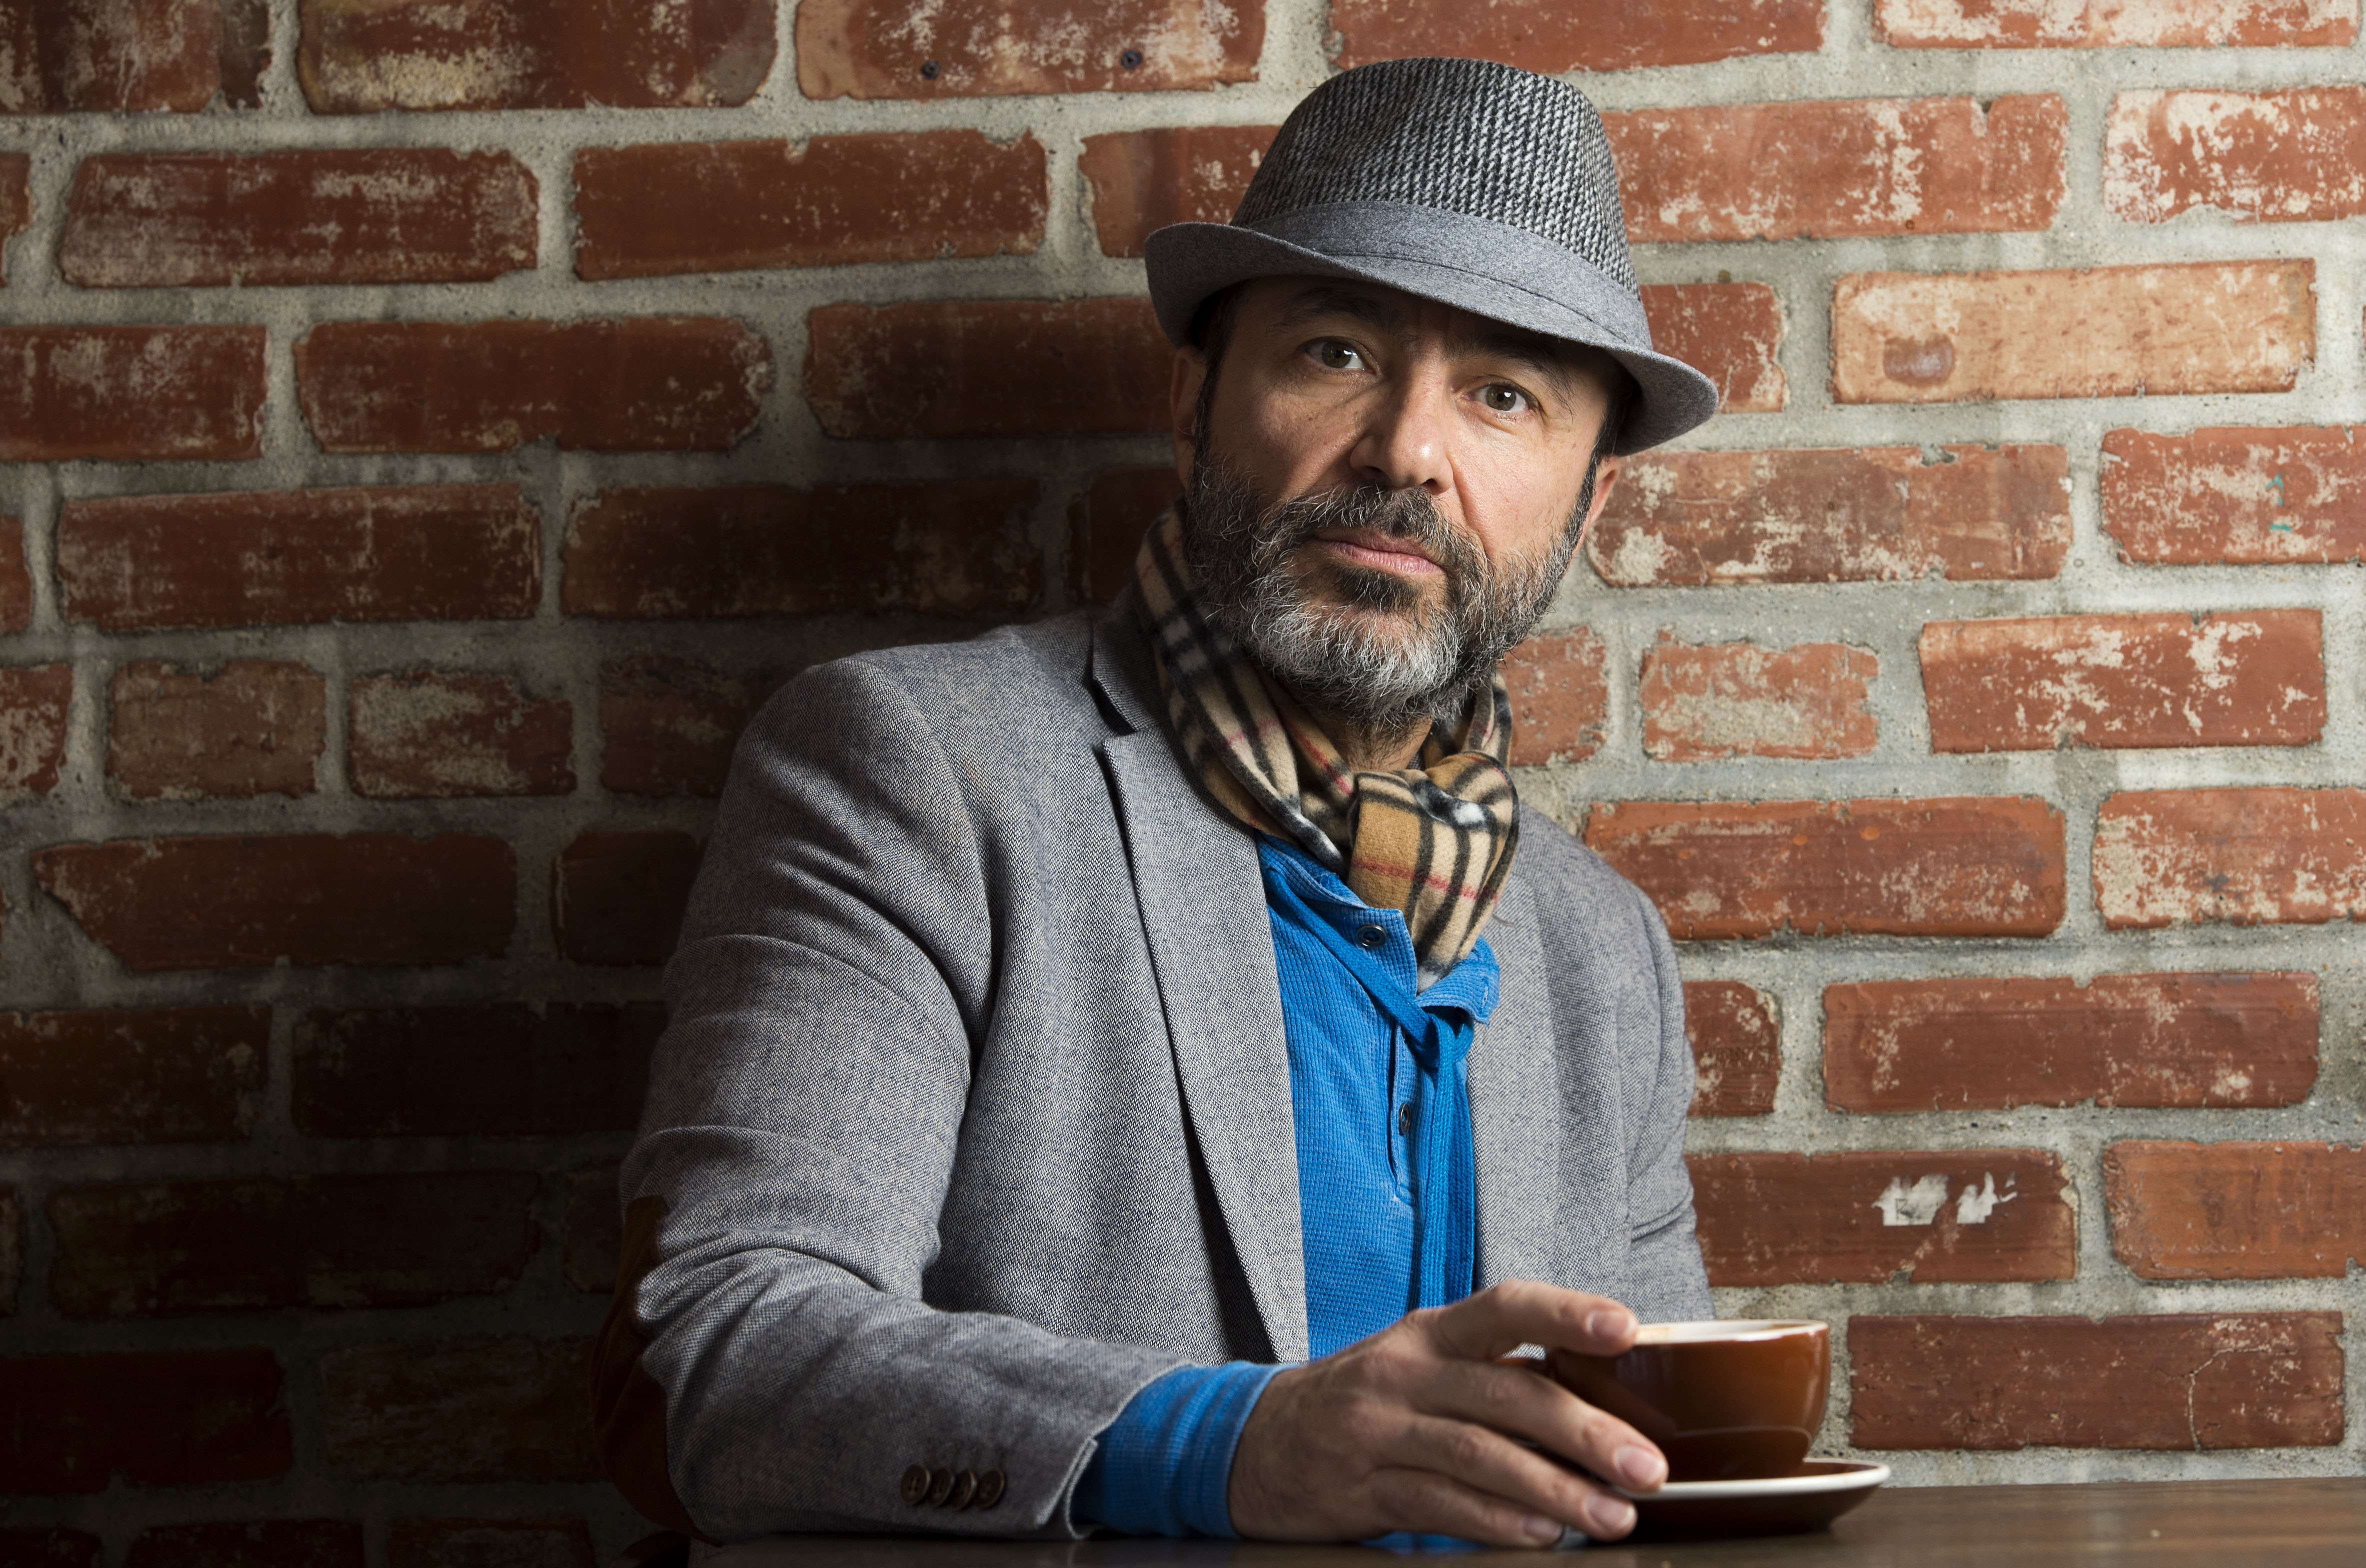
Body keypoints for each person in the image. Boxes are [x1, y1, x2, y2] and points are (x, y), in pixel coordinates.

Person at [593, 54, 1722, 1552]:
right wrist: (1234, 1446)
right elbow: (717, 1355)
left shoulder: (1601, 948)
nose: (1406, 451)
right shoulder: (912, 770)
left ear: (1586, 505)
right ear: (1196, 400)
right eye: (1335, 352)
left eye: (1503, 395)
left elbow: (1655, 1458)